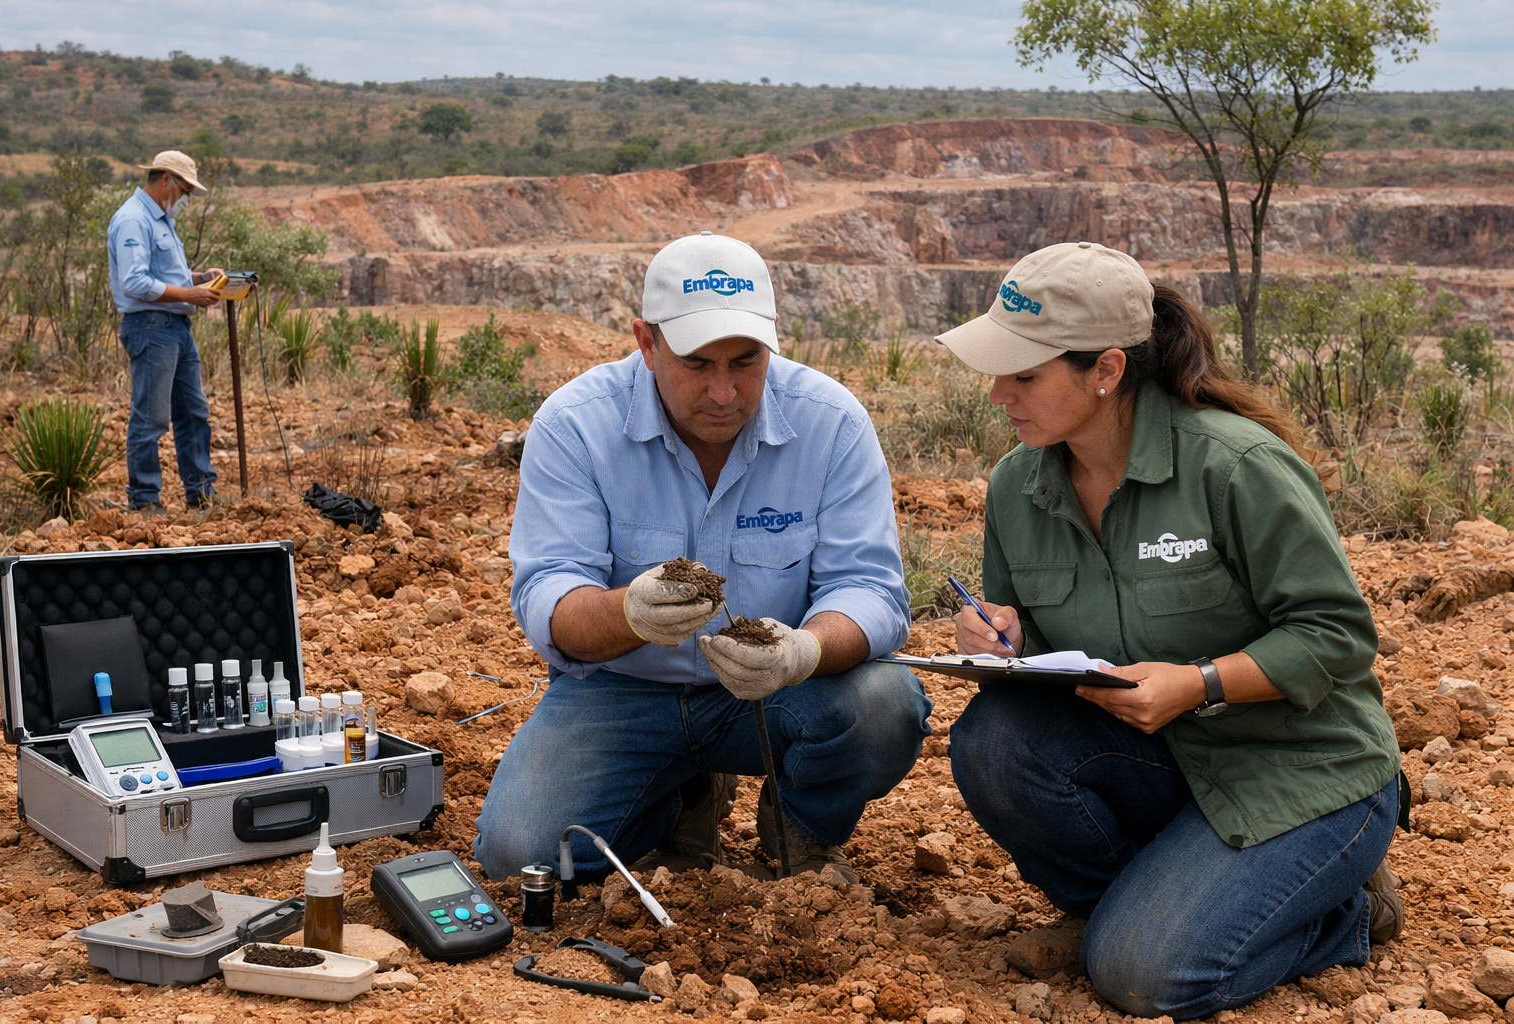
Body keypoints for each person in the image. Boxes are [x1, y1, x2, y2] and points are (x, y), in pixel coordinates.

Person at [936, 242, 1401, 1021]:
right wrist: (997, 637)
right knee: (994, 739)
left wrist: (1202, 682)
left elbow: (1338, 634)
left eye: (1023, 375)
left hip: (1299, 775)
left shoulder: (1235, 464)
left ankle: (1338, 913)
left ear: (1107, 371)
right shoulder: (1019, 485)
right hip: (1158, 762)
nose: (996, 394)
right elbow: (1032, 650)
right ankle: (1151, 904)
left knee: (1144, 978)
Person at [473, 231, 931, 884]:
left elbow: (871, 589)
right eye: (696, 365)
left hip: (776, 698)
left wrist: (803, 650)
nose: (723, 394)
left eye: (745, 362)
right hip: (623, 692)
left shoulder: (831, 423)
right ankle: (679, 800)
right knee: (521, 857)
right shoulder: (576, 425)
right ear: (646, 342)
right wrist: (628, 611)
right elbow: (548, 592)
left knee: (886, 704)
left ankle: (799, 828)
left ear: (773, 338)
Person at [107, 150, 224, 515]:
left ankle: (201, 493)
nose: (186, 199)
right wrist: (190, 294)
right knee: (151, 417)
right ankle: (144, 501)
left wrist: (199, 278)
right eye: (185, 190)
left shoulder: (160, 221)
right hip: (151, 327)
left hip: (176, 328)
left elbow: (163, 275)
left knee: (193, 412)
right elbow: (135, 282)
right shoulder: (133, 219)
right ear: (165, 181)